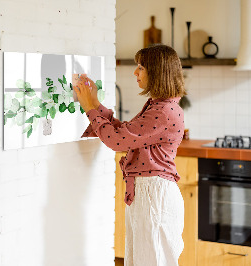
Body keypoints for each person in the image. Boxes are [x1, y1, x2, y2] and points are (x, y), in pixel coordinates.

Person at [74, 44, 186, 266]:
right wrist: (95, 104)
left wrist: (89, 108)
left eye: (141, 67)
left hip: (154, 195)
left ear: (157, 72)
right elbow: (125, 133)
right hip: (149, 193)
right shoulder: (159, 106)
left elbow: (117, 141)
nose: (135, 72)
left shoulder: (163, 111)